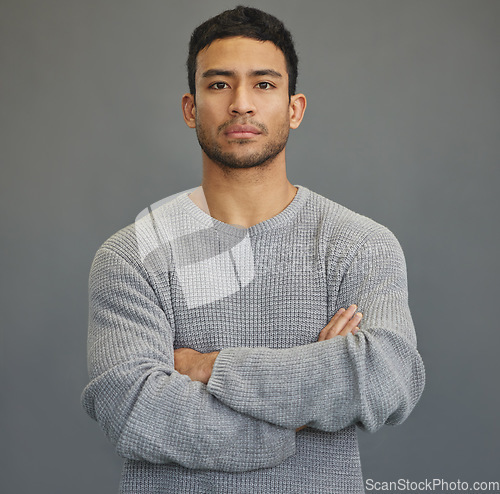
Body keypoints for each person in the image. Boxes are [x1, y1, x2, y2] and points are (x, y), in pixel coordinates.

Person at [81, 6, 425, 493]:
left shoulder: (361, 245)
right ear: (190, 107)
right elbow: (134, 412)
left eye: (264, 84)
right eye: (219, 85)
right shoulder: (131, 256)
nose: (241, 103)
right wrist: (308, 399)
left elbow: (387, 379)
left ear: (294, 108)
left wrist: (209, 366)